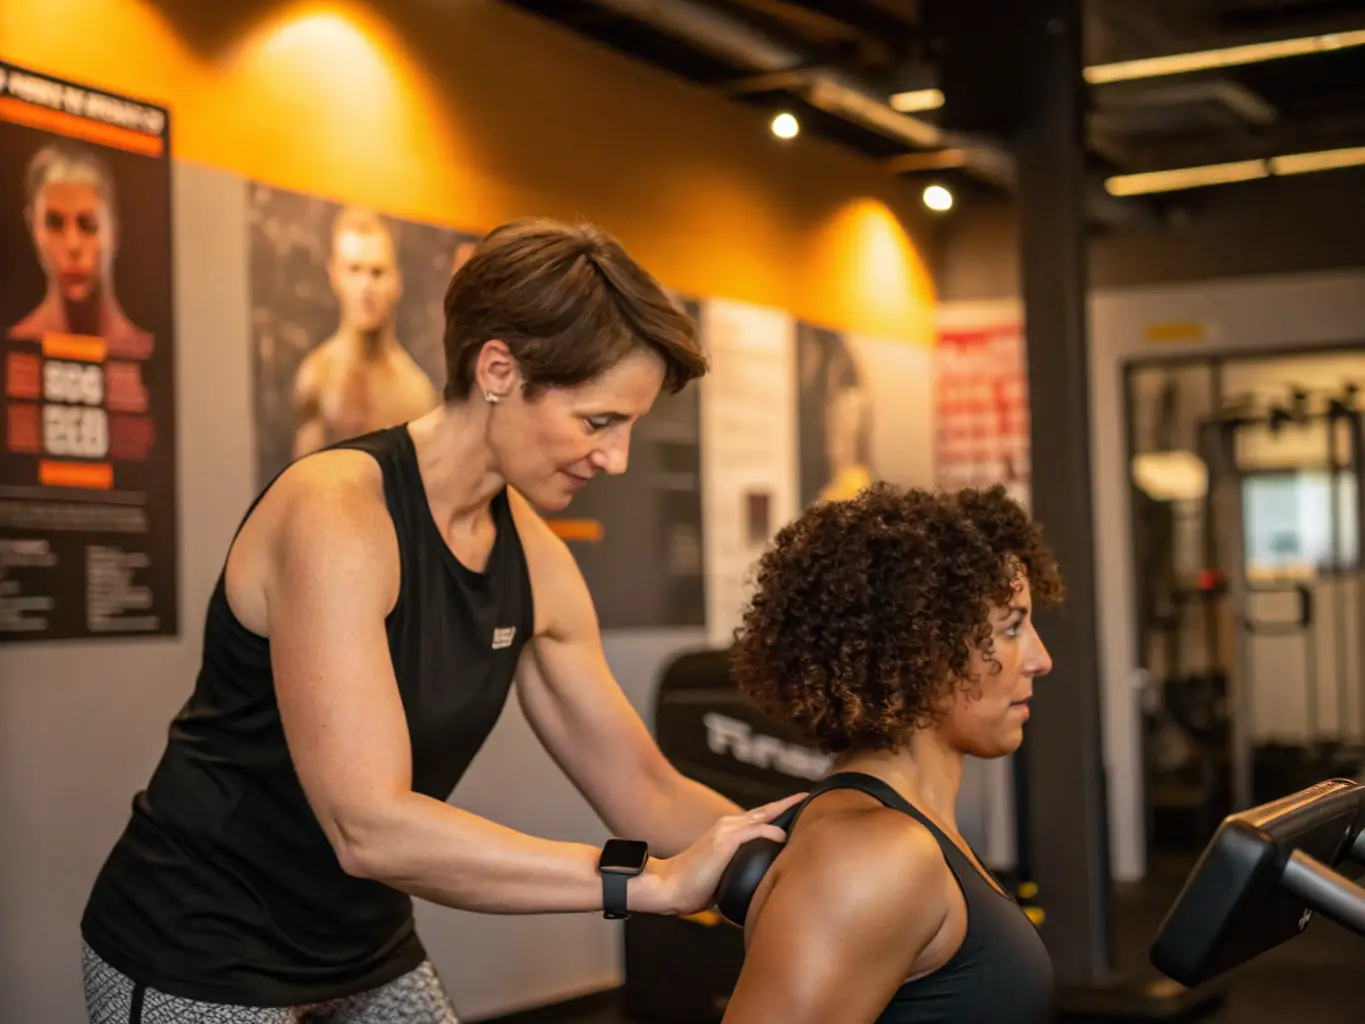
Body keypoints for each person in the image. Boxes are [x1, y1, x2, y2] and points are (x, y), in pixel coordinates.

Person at [80, 217, 803, 1023]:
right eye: (598, 422)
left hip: (361, 946)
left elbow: (643, 785)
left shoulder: (535, 560)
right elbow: (370, 828)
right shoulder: (337, 514)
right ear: (498, 368)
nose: (616, 458)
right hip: (199, 945)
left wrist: (820, 856)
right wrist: (651, 882)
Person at [721, 482, 1063, 1024]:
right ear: (928, 650)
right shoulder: (874, 856)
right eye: (1012, 627)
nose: (1040, 659)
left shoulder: (913, 832)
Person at [290, 206, 442, 457]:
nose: (365, 287)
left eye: (377, 272)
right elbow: (300, 488)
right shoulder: (317, 377)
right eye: (354, 270)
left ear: (396, 282)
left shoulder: (418, 393)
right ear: (334, 275)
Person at [10, 140, 153, 359]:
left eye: (88, 225)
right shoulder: (18, 346)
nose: (72, 245)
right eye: (54, 223)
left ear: (113, 232)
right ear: (33, 228)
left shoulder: (145, 352)